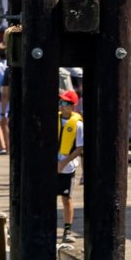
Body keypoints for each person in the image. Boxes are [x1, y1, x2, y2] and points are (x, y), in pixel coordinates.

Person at [57, 90, 84, 243]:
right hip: (52, 165)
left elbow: (79, 148)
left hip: (67, 167)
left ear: (72, 106)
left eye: (65, 103)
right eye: (60, 102)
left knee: (67, 198)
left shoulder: (78, 125)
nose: (61, 106)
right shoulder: (55, 119)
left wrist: (63, 163)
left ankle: (67, 230)